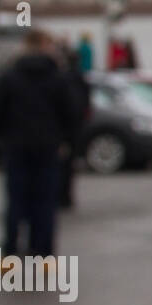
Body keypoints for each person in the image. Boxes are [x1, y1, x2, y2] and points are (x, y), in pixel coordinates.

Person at [0, 30, 81, 259]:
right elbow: (72, 113)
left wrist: (4, 136)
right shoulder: (58, 77)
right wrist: (64, 139)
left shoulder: (9, 77)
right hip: (48, 148)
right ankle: (43, 251)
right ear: (46, 47)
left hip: (16, 147)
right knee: (45, 201)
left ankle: (11, 249)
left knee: (16, 199)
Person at [56, 40, 91, 210]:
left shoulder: (62, 79)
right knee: (69, 165)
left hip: (64, 129)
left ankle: (61, 197)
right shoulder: (79, 78)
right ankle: (66, 197)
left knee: (61, 165)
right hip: (74, 128)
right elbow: (84, 103)